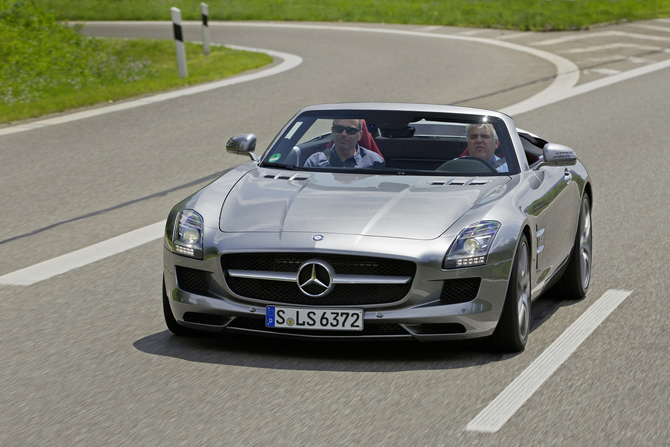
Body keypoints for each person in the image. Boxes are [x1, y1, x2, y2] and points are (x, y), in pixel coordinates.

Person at [304, 119, 385, 168]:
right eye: (339, 128)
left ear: (360, 135)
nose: (343, 134)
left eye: (350, 130)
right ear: (332, 131)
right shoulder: (315, 162)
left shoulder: (375, 162)